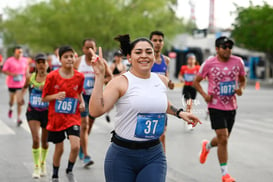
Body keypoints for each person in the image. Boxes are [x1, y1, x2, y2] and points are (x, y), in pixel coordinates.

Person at [89, 34, 201, 182]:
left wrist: (180, 113)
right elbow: (95, 111)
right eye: (138, 52)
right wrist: (99, 76)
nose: (144, 56)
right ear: (129, 57)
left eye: (149, 52)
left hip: (153, 155)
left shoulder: (160, 80)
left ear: (154, 56)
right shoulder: (120, 82)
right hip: (122, 156)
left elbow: (160, 102)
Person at [193, 36, 246, 182]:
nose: (228, 50)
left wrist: (241, 88)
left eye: (230, 47)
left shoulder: (238, 62)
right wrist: (204, 95)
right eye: (224, 47)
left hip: (231, 106)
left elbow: (242, 80)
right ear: (217, 49)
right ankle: (225, 174)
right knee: (223, 137)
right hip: (215, 106)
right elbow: (196, 82)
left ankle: (207, 146)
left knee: (224, 139)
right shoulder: (209, 63)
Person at [42, 45, 85, 182]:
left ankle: (69, 170)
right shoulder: (52, 76)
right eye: (66, 57)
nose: (69, 59)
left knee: (76, 146)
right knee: (59, 149)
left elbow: (78, 92)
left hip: (72, 116)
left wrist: (82, 102)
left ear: (74, 58)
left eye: (71, 56)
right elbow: (44, 97)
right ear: (60, 59)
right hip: (56, 118)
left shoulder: (79, 76)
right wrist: (56, 96)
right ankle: (55, 174)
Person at [74, 38, 113, 167]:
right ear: (83, 49)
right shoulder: (78, 62)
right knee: (84, 125)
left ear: (95, 49)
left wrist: (101, 79)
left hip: (95, 98)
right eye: (87, 48)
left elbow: (110, 77)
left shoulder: (101, 62)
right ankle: (86, 155)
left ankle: (81, 146)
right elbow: (72, 77)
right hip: (82, 97)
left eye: (92, 48)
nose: (90, 50)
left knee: (88, 126)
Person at [20, 53, 49, 179]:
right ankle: (36, 166)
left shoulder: (51, 78)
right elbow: (24, 88)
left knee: (45, 142)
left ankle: (43, 163)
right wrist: (21, 97)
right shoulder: (30, 77)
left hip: (47, 113)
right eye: (39, 62)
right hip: (33, 112)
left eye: (43, 62)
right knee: (36, 139)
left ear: (47, 64)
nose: (41, 65)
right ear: (36, 65)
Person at [149, 30, 174, 153]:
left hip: (161, 103)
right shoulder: (146, 60)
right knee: (149, 137)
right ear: (150, 42)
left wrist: (170, 83)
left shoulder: (166, 60)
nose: (158, 43)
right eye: (155, 40)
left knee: (162, 135)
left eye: (160, 40)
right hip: (147, 103)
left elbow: (166, 78)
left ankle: (161, 161)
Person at [2, 46, 29, 126]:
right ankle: (11, 108)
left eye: (21, 52)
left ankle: (19, 118)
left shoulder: (25, 60)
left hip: (21, 84)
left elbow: (27, 70)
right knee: (12, 100)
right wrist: (12, 74)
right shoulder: (9, 60)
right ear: (14, 52)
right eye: (18, 52)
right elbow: (4, 70)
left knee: (19, 101)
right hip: (11, 83)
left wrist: (28, 80)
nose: (19, 54)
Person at [178, 53, 200, 131]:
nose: (191, 61)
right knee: (189, 104)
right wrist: (181, 78)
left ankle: (187, 116)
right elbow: (180, 75)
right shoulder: (184, 68)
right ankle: (189, 122)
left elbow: (201, 76)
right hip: (186, 88)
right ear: (187, 60)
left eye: (193, 59)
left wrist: (198, 79)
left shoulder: (197, 68)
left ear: (195, 60)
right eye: (190, 59)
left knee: (190, 106)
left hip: (194, 88)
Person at [105, 50, 127, 122]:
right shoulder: (113, 66)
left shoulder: (123, 66)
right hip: (114, 86)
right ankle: (107, 113)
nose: (119, 58)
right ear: (115, 57)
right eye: (118, 56)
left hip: (122, 87)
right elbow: (109, 77)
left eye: (120, 56)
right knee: (112, 104)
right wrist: (119, 75)